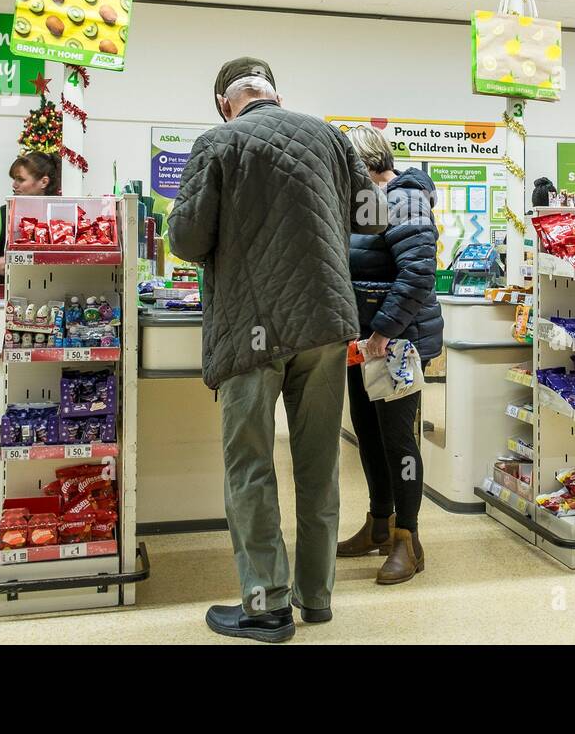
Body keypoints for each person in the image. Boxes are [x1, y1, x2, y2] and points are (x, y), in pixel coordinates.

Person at [167, 57, 385, 643]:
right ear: (275, 94)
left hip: (250, 329)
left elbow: (187, 241)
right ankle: (316, 598)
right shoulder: (331, 136)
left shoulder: (216, 143)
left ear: (224, 102)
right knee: (320, 466)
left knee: (251, 467)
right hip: (324, 324)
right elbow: (371, 217)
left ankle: (266, 606)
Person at [337, 126, 442, 585]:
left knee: (398, 441)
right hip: (361, 346)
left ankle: (408, 540)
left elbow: (418, 274)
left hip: (395, 344)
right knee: (368, 435)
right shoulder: (366, 206)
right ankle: (379, 524)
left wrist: (382, 330)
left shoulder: (406, 198)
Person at [0, 152, 61, 279]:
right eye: (14, 179)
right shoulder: (3, 214)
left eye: (21, 179)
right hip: (10, 295)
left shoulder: (63, 216)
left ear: (44, 182)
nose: (14, 185)